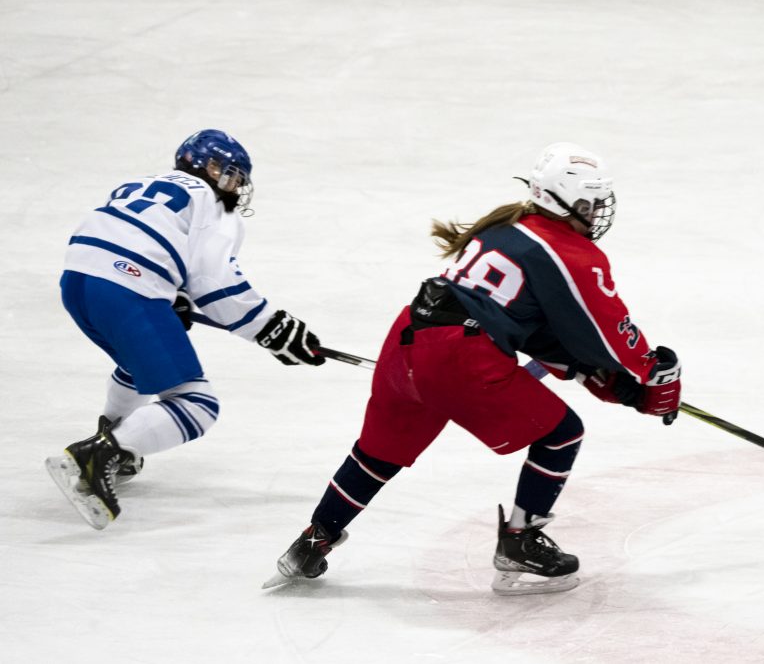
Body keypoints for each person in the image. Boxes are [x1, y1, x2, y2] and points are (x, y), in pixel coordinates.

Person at [264, 142, 681, 595]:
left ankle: (312, 542)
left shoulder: (509, 227)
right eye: (590, 200)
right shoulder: (568, 251)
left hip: (409, 337)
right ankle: (520, 541)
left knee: (377, 453)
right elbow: (604, 330)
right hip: (460, 354)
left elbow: (542, 331)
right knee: (562, 433)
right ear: (566, 200)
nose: (598, 210)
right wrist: (650, 371)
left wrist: (611, 384)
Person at [46, 129, 326, 530]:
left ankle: (112, 432)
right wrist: (271, 328)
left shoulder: (140, 183)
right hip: (129, 286)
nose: (233, 186)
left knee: (135, 365)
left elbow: (145, 244)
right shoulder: (212, 204)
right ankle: (100, 454)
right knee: (197, 404)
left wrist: (173, 293)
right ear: (209, 167)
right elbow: (215, 282)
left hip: (76, 280)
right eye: (230, 174)